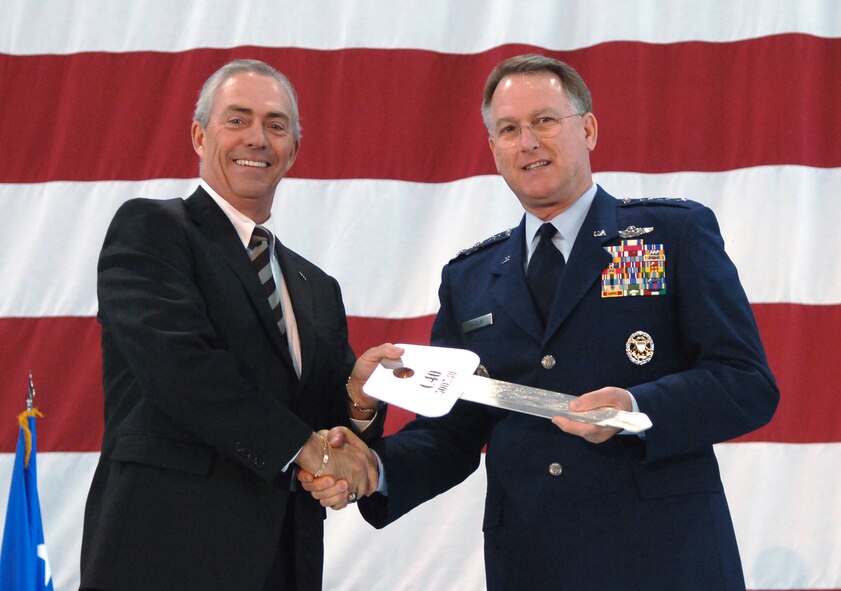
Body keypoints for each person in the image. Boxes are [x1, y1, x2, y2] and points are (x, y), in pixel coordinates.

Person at [301, 54, 779, 590]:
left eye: (545, 121)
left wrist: (638, 408)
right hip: (533, 563)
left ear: (589, 129)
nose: (527, 142)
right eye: (509, 129)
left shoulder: (669, 237)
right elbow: (452, 434)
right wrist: (374, 470)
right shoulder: (471, 278)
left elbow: (746, 383)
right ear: (494, 148)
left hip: (664, 558)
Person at [79, 59, 393, 591]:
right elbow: (182, 369)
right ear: (200, 136)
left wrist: (359, 402)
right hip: (163, 556)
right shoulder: (152, 230)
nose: (258, 137)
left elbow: (321, 426)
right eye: (238, 119)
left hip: (283, 562)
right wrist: (307, 450)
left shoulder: (317, 287)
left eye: (276, 125)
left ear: (293, 148)